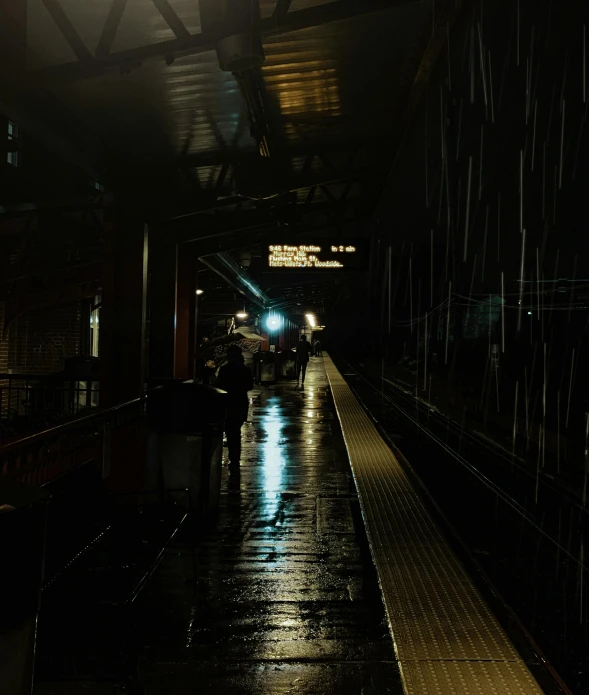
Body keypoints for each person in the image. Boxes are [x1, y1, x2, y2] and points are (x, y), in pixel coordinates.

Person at [216, 344, 254, 466]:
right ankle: (235, 458)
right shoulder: (246, 370)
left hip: (228, 403)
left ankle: (233, 457)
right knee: (236, 430)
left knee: (230, 430)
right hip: (241, 402)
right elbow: (250, 386)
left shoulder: (224, 370)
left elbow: (219, 386)